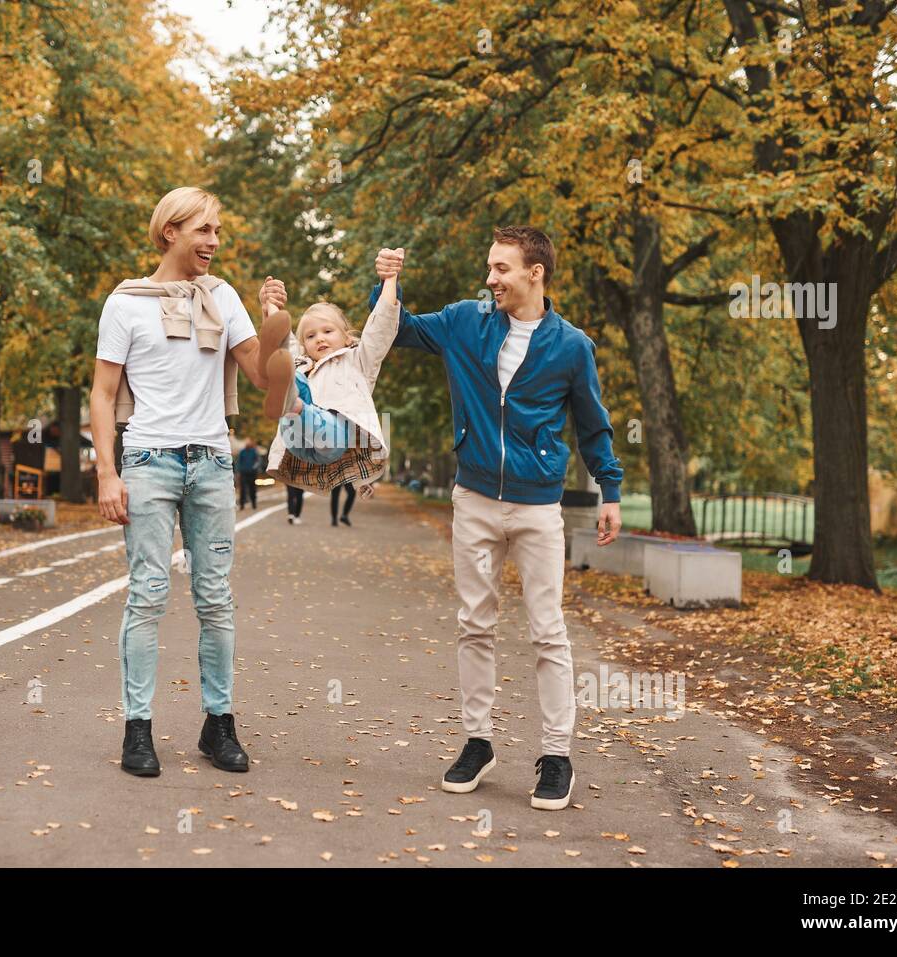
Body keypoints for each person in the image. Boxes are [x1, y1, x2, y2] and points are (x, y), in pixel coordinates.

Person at [374, 226, 623, 811]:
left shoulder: (571, 346)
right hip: (476, 499)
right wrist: (388, 283)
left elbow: (593, 424)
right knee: (475, 623)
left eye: (502, 269)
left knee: (547, 631)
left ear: (535, 273)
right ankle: (478, 742)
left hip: (538, 506)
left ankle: (557, 755)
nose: (491, 279)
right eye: (490, 267)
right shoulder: (466, 321)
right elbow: (399, 331)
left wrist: (609, 488)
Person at [88, 186, 281, 779]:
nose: (214, 242)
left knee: (215, 598)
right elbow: (100, 393)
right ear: (170, 231)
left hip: (213, 463)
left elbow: (262, 378)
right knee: (147, 594)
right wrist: (106, 473)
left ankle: (217, 725)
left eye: (217, 230)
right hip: (149, 461)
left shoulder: (222, 298)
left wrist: (276, 324)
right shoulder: (125, 304)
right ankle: (137, 731)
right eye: (203, 230)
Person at [253, 253, 402, 502]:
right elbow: (280, 337)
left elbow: (381, 326)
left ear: (346, 337)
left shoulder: (357, 361)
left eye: (327, 331)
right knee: (289, 369)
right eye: (310, 336)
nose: (319, 338)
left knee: (321, 414)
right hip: (296, 442)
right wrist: (270, 304)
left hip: (331, 441)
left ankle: (295, 404)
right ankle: (291, 401)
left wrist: (390, 278)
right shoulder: (302, 363)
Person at [236, 437, 259, 510]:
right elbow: (239, 462)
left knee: (252, 489)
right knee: (243, 489)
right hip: (243, 473)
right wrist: (239, 471)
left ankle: (254, 503)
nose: (247, 444)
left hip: (252, 473)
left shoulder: (253, 451)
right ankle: (242, 505)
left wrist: (254, 468)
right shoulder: (242, 452)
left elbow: (257, 461)